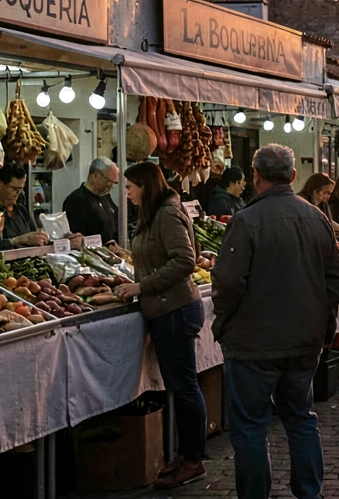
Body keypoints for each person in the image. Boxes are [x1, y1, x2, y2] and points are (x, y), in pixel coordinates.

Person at [211, 145, 339, 499]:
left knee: (252, 427)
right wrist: (325, 323)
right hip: (303, 340)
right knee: (301, 418)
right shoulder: (317, 217)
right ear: (294, 176)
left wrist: (223, 322)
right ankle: (308, 492)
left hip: (253, 343)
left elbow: (227, 282)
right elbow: (335, 279)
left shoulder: (247, 220)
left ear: (255, 176)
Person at [119, 162, 208, 489]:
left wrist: (143, 287)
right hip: (168, 308)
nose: (127, 193)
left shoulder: (167, 214)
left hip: (175, 309)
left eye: (130, 187)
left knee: (184, 386)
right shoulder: (158, 213)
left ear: (145, 186)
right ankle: (185, 455)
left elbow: (186, 259)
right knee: (180, 385)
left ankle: (193, 460)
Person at [0, 163, 63, 250]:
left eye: (21, 189)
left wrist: (59, 238)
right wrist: (16, 241)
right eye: (16, 189)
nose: (19, 193)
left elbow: (33, 234)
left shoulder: (21, 210)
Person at [62, 157, 120, 244]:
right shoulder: (76, 200)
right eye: (108, 180)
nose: (111, 186)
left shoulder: (105, 196)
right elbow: (76, 238)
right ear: (95, 175)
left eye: (114, 183)